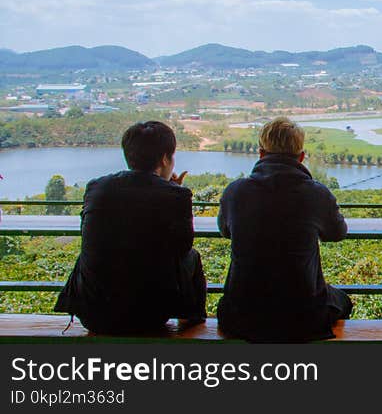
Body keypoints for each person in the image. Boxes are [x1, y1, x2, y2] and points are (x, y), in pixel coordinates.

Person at [54, 121, 207, 334]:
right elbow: (182, 248)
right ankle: (192, 317)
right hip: (149, 317)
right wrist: (173, 189)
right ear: (165, 158)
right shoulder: (177, 195)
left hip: (92, 314)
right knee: (192, 256)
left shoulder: (97, 187)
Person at [217, 117, 351, 342]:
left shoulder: (235, 192)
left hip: (239, 316)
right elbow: (338, 233)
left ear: (260, 154)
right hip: (303, 318)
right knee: (342, 301)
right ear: (301, 157)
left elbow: (225, 231)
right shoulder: (316, 194)